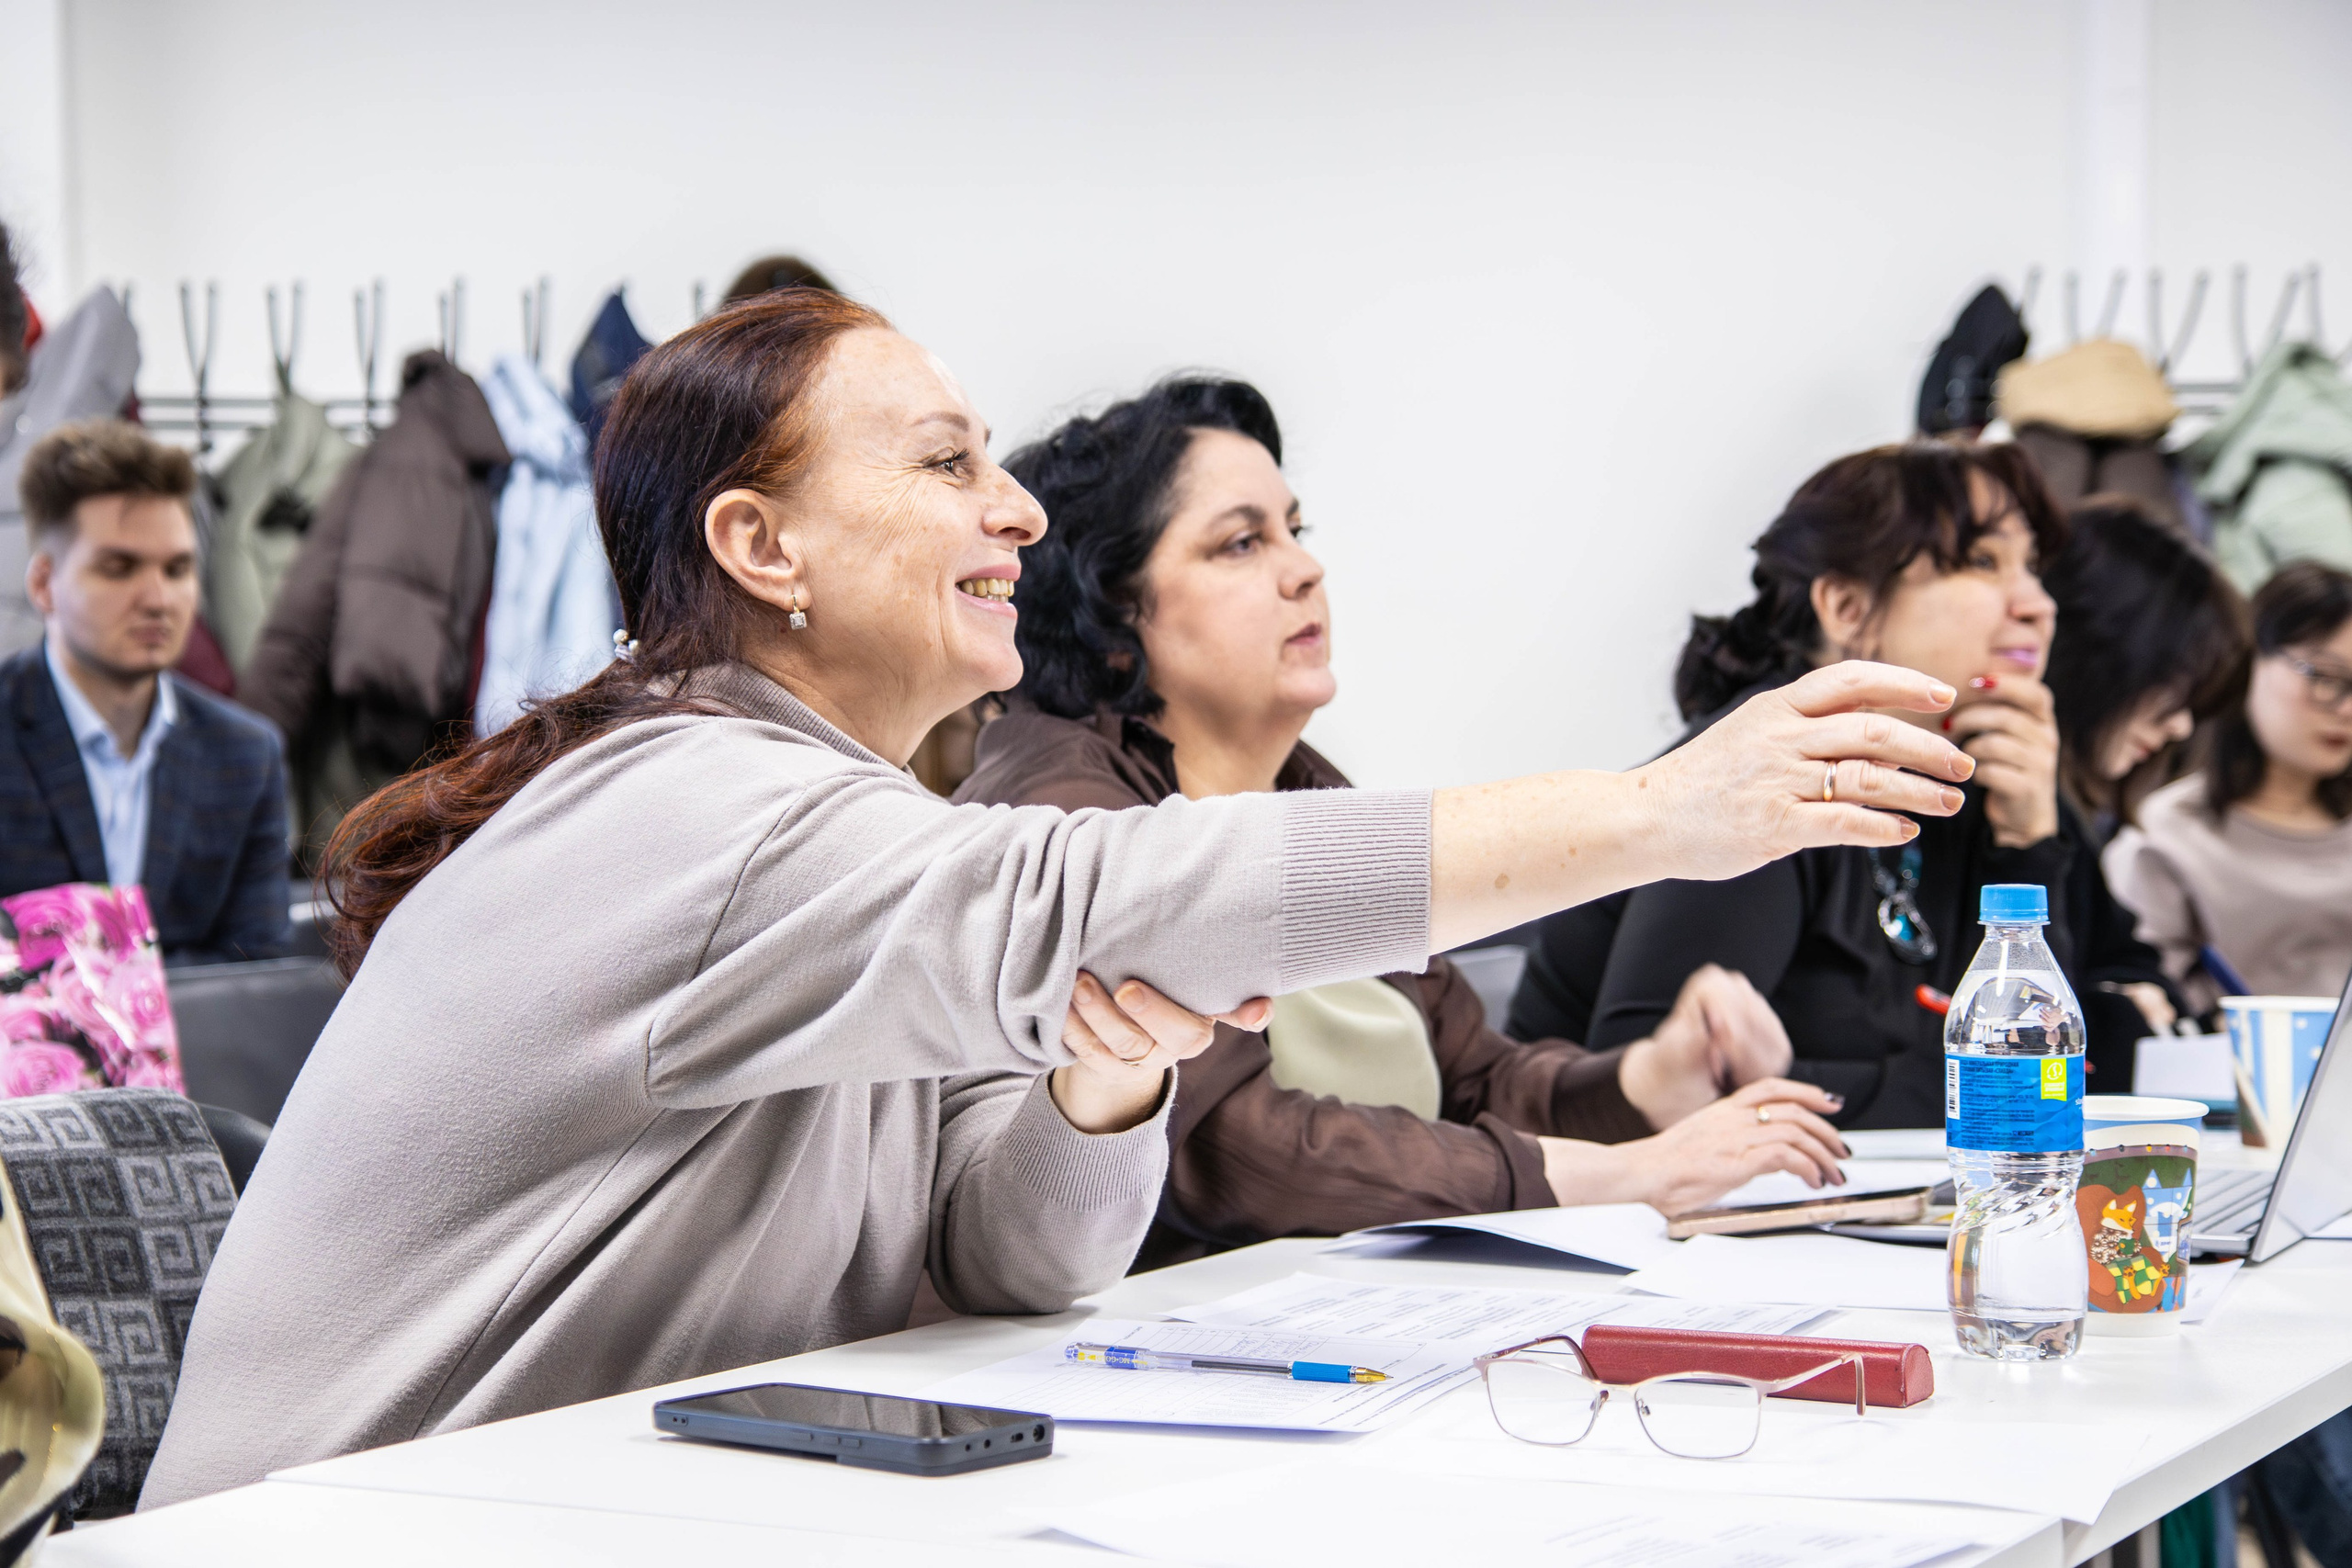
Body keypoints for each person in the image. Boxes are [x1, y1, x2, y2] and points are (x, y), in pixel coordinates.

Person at [140, 290, 1970, 1506]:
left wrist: (1099, 1081)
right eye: (945, 463)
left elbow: (1012, 1255)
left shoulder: (856, 821)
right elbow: (1121, 890)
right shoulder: (685, 803)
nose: (1013, 509)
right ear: (757, 549)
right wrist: (1657, 810)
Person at [956, 377, 1850, 1264]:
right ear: (1110, 612)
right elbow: (1237, 1151)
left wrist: (1644, 1085)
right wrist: (1615, 1176)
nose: (1304, 569)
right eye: (1240, 543)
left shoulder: (1305, 789)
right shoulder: (1057, 808)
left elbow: (1474, 1082)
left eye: (1294, 532)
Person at [1509, 441, 2164, 1123]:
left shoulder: (1982, 781)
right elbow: (1662, 1081)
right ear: (1847, 606)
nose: (2037, 605)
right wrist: (1947, 1087)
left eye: (2032, 568)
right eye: (1982, 562)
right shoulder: (1752, 781)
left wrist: (2029, 843)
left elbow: (2043, 1077)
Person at [1, 419, 291, 963]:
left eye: (177, 568)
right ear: (44, 584)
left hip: (204, 1047)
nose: (158, 599)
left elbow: (256, 979)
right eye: (120, 568)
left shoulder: (246, 756)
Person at [2106, 560, 2352, 1008]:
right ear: (2250, 660)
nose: (2347, 709)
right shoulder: (2166, 834)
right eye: (2326, 678)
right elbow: (2141, 995)